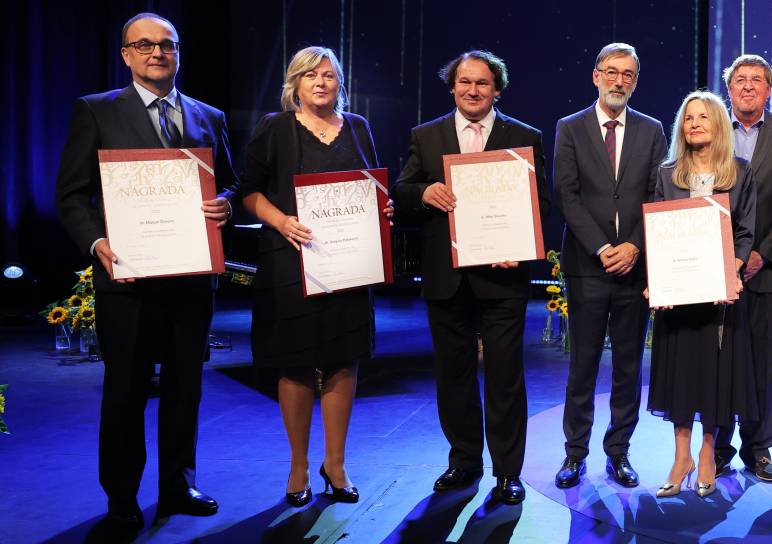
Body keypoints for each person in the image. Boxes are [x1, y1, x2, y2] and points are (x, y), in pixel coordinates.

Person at [54, 12, 236, 532]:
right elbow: (71, 195)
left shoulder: (209, 116)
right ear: (126, 55)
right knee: (125, 392)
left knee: (185, 389)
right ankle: (122, 498)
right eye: (145, 45)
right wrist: (97, 242)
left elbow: (230, 181)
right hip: (128, 280)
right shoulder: (96, 110)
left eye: (167, 44)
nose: (157, 53)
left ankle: (178, 485)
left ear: (178, 52)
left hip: (190, 279)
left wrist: (225, 202)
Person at [391, 50, 548, 505]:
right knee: (453, 375)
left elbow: (540, 203)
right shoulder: (427, 135)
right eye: (465, 82)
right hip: (447, 276)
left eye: (482, 83)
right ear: (453, 86)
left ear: (497, 89)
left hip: (503, 278)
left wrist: (520, 247)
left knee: (505, 377)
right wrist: (425, 192)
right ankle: (463, 461)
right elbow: (401, 192)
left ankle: (507, 471)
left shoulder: (524, 136)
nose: (473, 91)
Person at [239, 46, 390, 507]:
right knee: (297, 363)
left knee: (345, 361)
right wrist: (281, 221)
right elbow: (249, 192)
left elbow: (374, 186)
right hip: (292, 263)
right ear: (295, 84)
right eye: (310, 76)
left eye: (328, 75)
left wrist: (383, 207)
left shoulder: (359, 127)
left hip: (349, 265)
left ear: (339, 82)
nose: (321, 83)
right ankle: (299, 466)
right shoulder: (275, 127)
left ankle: (336, 465)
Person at [553, 43, 667, 489]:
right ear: (596, 76)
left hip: (634, 268)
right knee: (581, 365)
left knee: (627, 366)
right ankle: (574, 453)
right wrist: (602, 247)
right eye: (612, 72)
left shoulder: (652, 130)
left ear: (635, 82)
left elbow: (658, 194)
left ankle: (619, 451)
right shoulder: (570, 127)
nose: (619, 81)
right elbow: (566, 195)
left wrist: (635, 246)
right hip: (587, 266)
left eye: (628, 75)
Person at [647, 91, 758, 497]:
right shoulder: (667, 174)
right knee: (679, 374)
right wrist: (658, 279)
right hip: (678, 297)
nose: (694, 124)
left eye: (702, 117)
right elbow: (657, 231)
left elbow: (745, 232)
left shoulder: (740, 172)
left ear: (718, 124)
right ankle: (682, 457)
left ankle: (708, 453)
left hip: (719, 299)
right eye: (688, 117)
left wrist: (731, 272)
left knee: (713, 374)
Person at [712, 55, 772, 483]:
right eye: (740, 80)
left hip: (764, 269)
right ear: (729, 88)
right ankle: (717, 447)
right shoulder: (711, 126)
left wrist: (760, 254)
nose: (748, 86)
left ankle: (759, 448)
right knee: (717, 360)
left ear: (769, 89)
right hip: (713, 266)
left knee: (761, 361)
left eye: (757, 80)